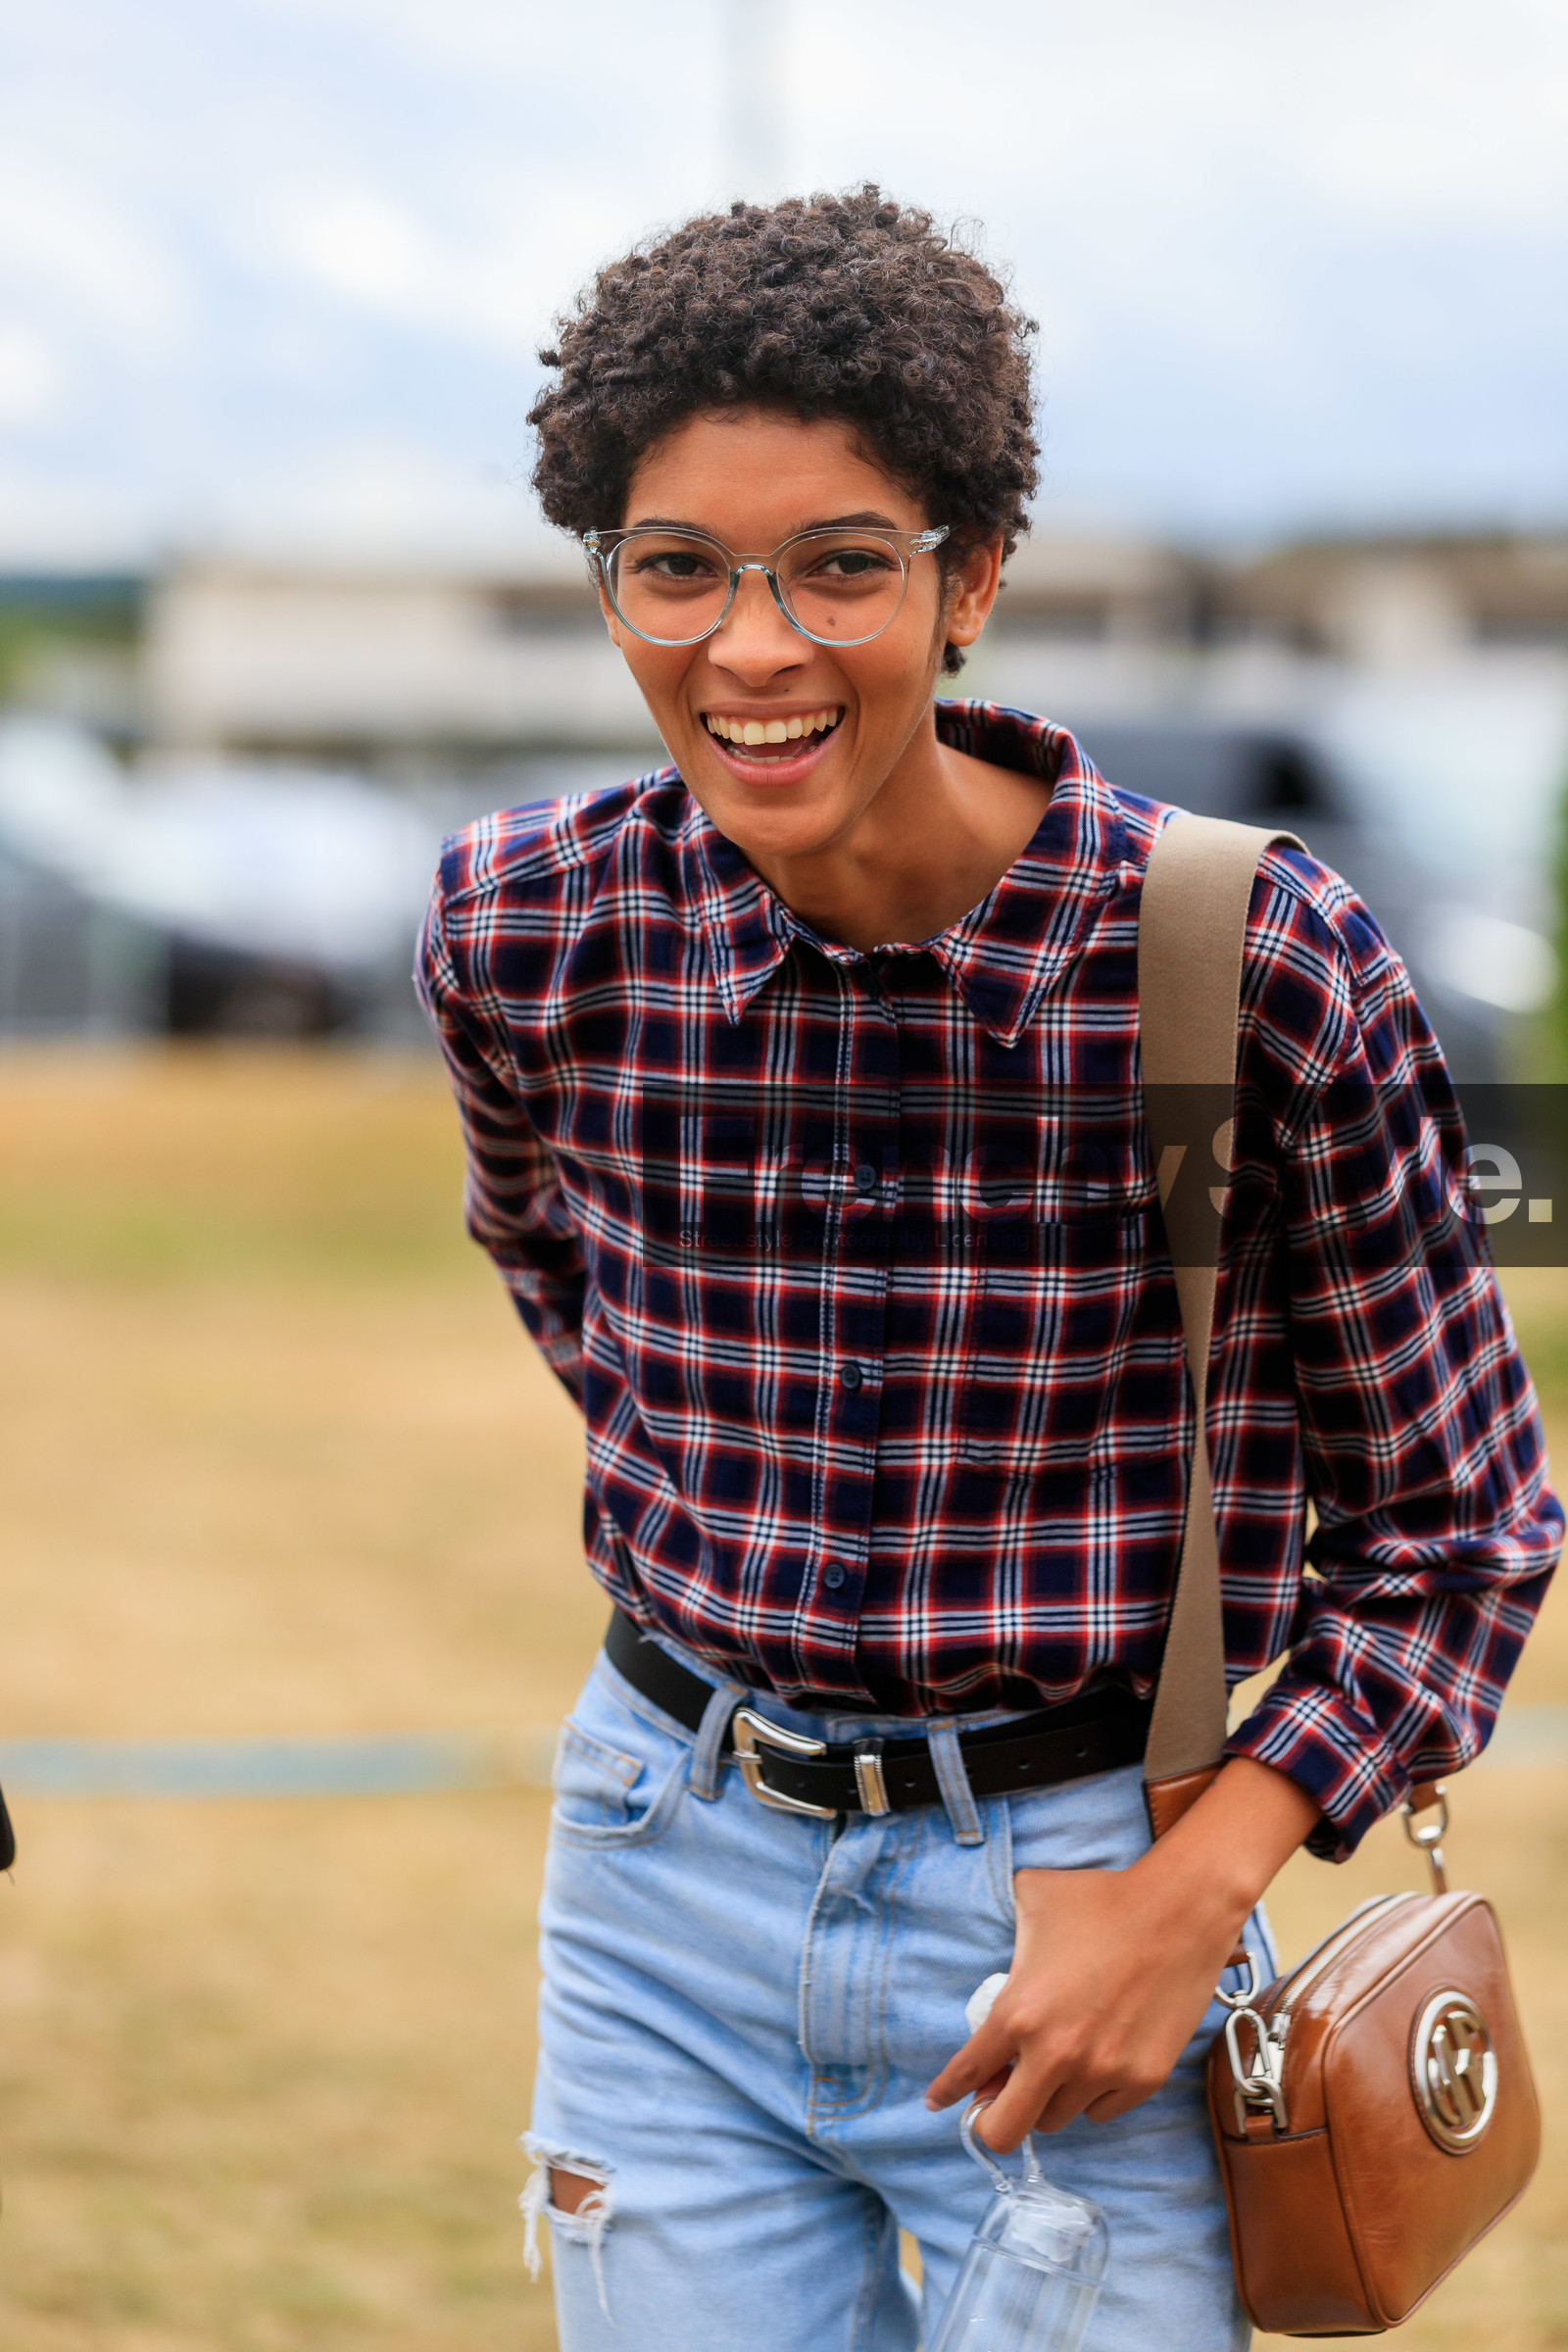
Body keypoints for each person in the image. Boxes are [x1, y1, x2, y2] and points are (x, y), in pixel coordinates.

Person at [417, 187, 1559, 2352]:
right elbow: (573, 1293)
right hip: (664, 1874)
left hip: (1091, 1890)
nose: (751, 649)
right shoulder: (523, 931)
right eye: (676, 572)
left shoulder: (1245, 964)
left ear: (970, 578)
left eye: (839, 564)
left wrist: (1177, 1896)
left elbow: (1455, 1533)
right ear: (609, 587)